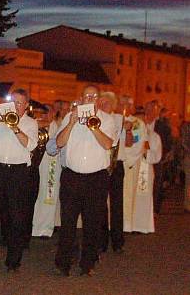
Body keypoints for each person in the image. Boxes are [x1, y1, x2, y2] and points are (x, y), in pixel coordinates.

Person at [55, 85, 115, 277]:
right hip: (72, 176)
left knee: (92, 223)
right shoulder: (69, 117)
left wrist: (93, 126)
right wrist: (71, 122)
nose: (90, 99)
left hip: (96, 179)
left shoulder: (107, 119)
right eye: (87, 96)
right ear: (81, 98)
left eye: (94, 96)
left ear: (98, 100)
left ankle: (87, 263)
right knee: (68, 222)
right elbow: (59, 142)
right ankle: (63, 262)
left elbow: (108, 144)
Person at [0, 89, 39, 272]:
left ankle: (13, 262)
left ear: (26, 106)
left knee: (16, 219)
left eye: (20, 103)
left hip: (18, 173)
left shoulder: (30, 123)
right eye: (13, 102)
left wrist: (14, 127)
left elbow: (31, 145)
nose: (16, 106)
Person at [32, 100, 67, 237]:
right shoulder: (37, 124)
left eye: (49, 112)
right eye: (43, 112)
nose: (46, 115)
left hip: (52, 165)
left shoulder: (57, 125)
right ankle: (35, 226)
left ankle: (45, 228)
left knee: (49, 197)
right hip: (39, 166)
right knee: (37, 197)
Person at [98, 93, 128, 253]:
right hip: (101, 164)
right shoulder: (96, 119)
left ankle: (118, 241)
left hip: (116, 165)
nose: (103, 105)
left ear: (114, 104)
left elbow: (129, 141)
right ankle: (101, 240)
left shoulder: (119, 118)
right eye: (101, 102)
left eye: (107, 103)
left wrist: (128, 130)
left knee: (117, 204)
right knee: (100, 203)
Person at [128, 111, 162, 233]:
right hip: (131, 168)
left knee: (143, 197)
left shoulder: (153, 136)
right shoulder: (130, 135)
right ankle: (129, 224)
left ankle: (141, 226)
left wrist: (145, 151)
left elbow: (157, 156)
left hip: (145, 168)